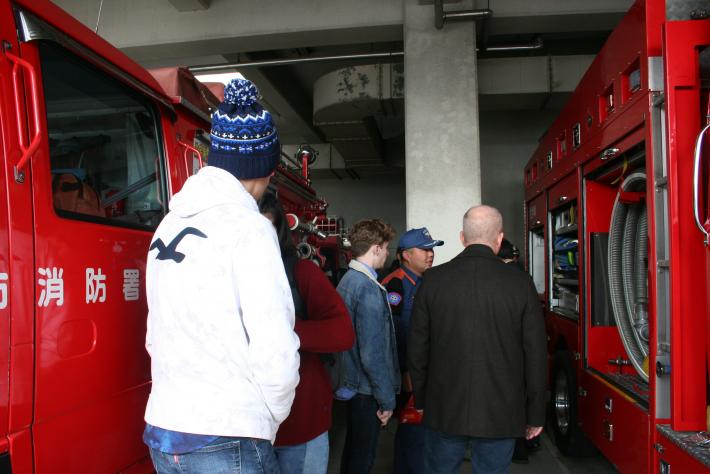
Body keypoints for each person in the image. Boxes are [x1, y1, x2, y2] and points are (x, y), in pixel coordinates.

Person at [143, 78, 300, 474]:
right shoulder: (249, 228)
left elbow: (153, 332)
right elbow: (274, 347)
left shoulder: (169, 224)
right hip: (227, 433)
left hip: (165, 429)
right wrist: (270, 417)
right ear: (264, 169)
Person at [408, 205, 547, 474]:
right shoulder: (520, 283)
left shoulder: (433, 280)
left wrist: (423, 401)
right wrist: (535, 412)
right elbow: (536, 354)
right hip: (501, 411)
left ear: (463, 237)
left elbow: (417, 349)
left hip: (444, 408)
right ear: (499, 239)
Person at [258, 193, 355, 474]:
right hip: (245, 431)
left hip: (299, 429)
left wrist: (283, 331)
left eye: (263, 229)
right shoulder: (220, 276)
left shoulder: (301, 274)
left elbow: (342, 333)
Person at [336, 219, 401, 473]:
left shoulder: (348, 281)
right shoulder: (368, 289)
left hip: (354, 386)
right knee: (362, 459)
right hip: (367, 391)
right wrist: (386, 401)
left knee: (353, 453)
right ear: (375, 248)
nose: (387, 253)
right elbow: (372, 355)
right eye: (386, 247)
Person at [381, 228, 444, 474]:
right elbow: (393, 333)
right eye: (425, 249)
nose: (431, 254)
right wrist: (405, 371)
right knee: (414, 433)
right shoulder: (395, 283)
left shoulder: (426, 281)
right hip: (409, 374)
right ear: (406, 254)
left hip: (425, 371)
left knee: (418, 434)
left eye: (432, 249)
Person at [496, 238, 540, 464]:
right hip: (522, 357)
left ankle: (516, 449)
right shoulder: (524, 278)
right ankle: (526, 445)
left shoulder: (501, 279)